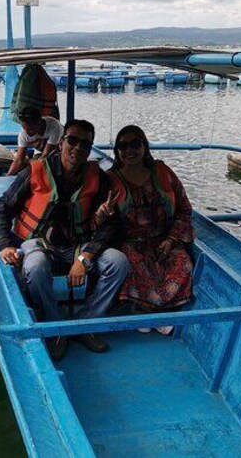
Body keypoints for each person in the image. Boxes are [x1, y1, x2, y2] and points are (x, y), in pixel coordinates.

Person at [0, 119, 130, 361]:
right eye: (72, 141)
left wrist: (85, 256)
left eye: (85, 144)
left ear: (90, 150)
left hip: (79, 245)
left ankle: (85, 324)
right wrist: (4, 244)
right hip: (39, 244)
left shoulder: (97, 178)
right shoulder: (35, 171)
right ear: (61, 143)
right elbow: (3, 206)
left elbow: (112, 225)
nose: (77, 149)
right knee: (34, 268)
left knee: (118, 262)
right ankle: (56, 327)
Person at [96, 125, 194, 335]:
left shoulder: (161, 171)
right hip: (130, 242)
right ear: (117, 151)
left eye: (135, 144)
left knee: (182, 263)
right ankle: (147, 310)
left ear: (145, 146)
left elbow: (185, 208)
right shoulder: (111, 178)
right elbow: (99, 223)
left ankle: (158, 310)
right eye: (122, 146)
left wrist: (171, 238)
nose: (129, 150)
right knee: (134, 265)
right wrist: (103, 213)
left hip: (163, 239)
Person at [7, 106, 63, 176]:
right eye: (24, 128)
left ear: (39, 123)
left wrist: (31, 163)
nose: (27, 132)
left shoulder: (54, 127)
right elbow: (19, 161)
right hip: (40, 153)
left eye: (30, 129)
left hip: (58, 153)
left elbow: (46, 155)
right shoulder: (23, 134)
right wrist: (7, 176)